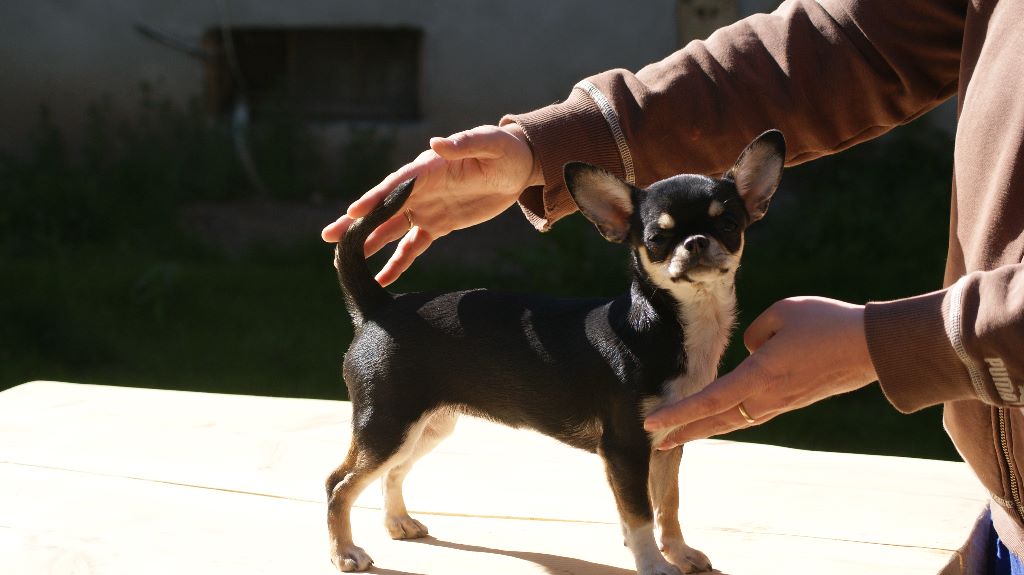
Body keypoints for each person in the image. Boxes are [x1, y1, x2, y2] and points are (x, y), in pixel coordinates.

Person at [322, 0, 1024, 570]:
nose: (696, 245)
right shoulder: (633, 358)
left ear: (756, 202)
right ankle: (354, 509)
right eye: (667, 237)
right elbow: (841, 42)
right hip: (1004, 517)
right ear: (618, 226)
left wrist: (891, 343)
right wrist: (544, 146)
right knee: (403, 439)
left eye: (718, 230)